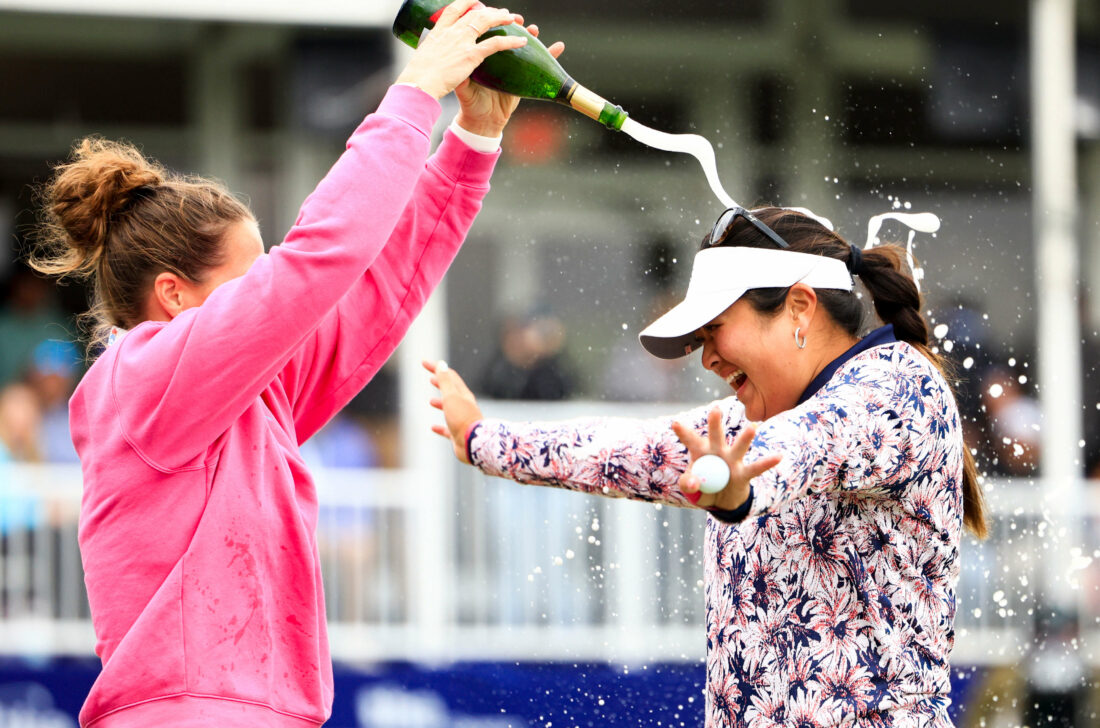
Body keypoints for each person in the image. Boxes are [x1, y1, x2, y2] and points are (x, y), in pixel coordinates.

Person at [28, 2, 563, 725]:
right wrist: (415, 90)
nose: (272, 294)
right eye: (252, 279)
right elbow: (321, 257)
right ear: (173, 296)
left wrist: (474, 135)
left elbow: (378, 286)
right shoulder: (141, 376)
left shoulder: (250, 394)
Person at [427, 205, 987, 727]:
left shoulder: (894, 388)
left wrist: (737, 491)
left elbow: (804, 447)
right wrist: (483, 439)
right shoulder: (759, 420)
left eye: (715, 329)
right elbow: (630, 451)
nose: (707, 357)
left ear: (799, 307)